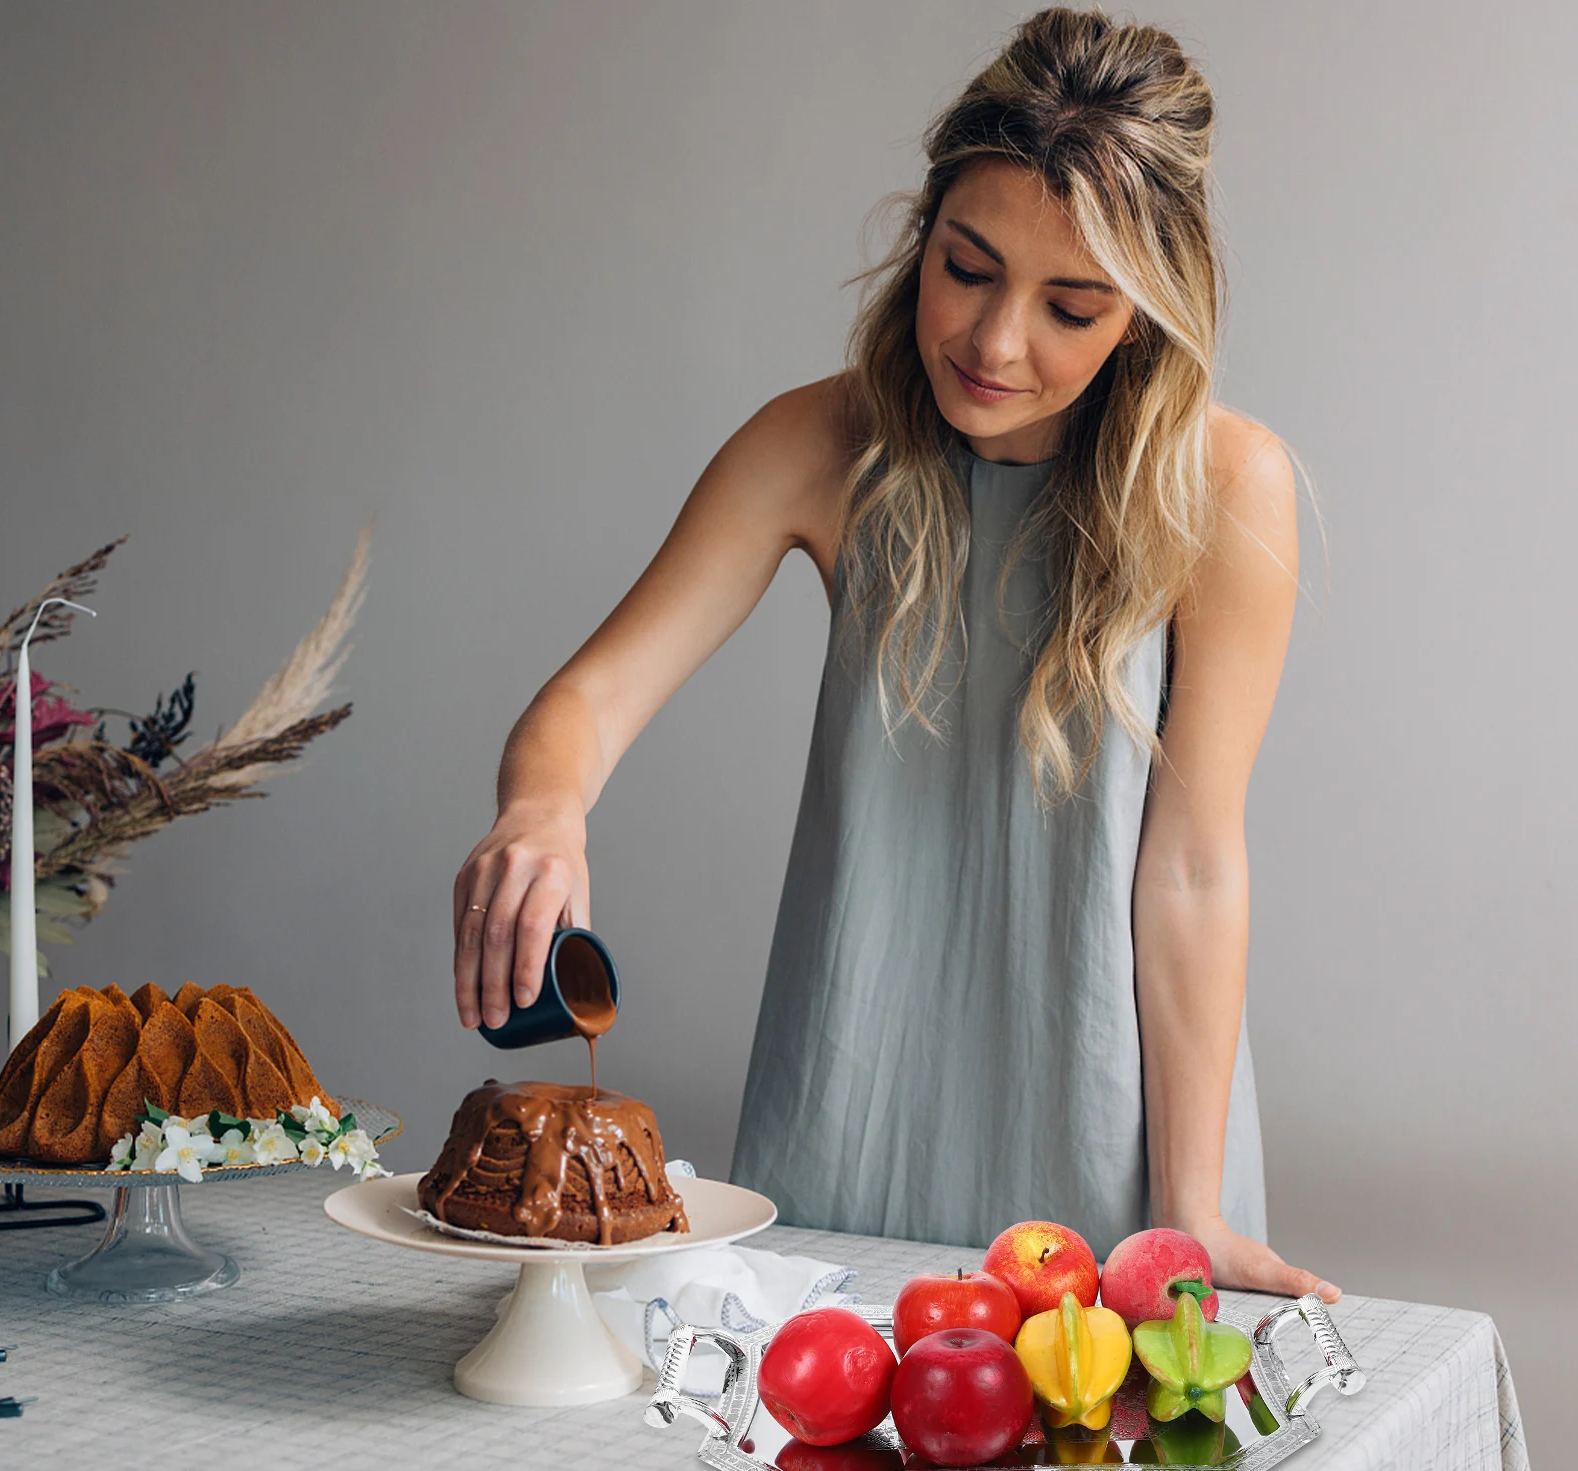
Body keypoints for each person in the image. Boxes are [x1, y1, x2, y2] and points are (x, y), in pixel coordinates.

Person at [453, 6, 1338, 1301]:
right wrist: (543, 810)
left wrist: (1187, 1210)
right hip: (848, 1098)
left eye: (1072, 305)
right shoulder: (817, 443)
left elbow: (1195, 865)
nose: (993, 343)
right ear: (922, 233)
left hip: (1108, 1135)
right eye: (966, 268)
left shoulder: (1225, 485)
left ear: (1147, 316)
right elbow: (591, 697)